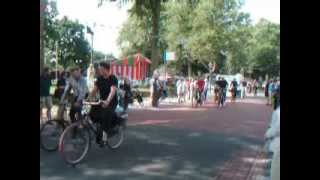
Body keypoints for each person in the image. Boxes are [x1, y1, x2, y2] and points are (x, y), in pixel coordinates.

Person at [88, 62, 118, 145]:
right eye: (99, 69)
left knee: (106, 115)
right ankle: (99, 129)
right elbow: (94, 90)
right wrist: (88, 99)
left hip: (111, 102)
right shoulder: (99, 78)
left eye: (101, 69)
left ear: (106, 69)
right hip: (101, 101)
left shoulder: (113, 78)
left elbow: (112, 91)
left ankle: (105, 136)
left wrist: (108, 101)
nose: (99, 70)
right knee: (91, 114)